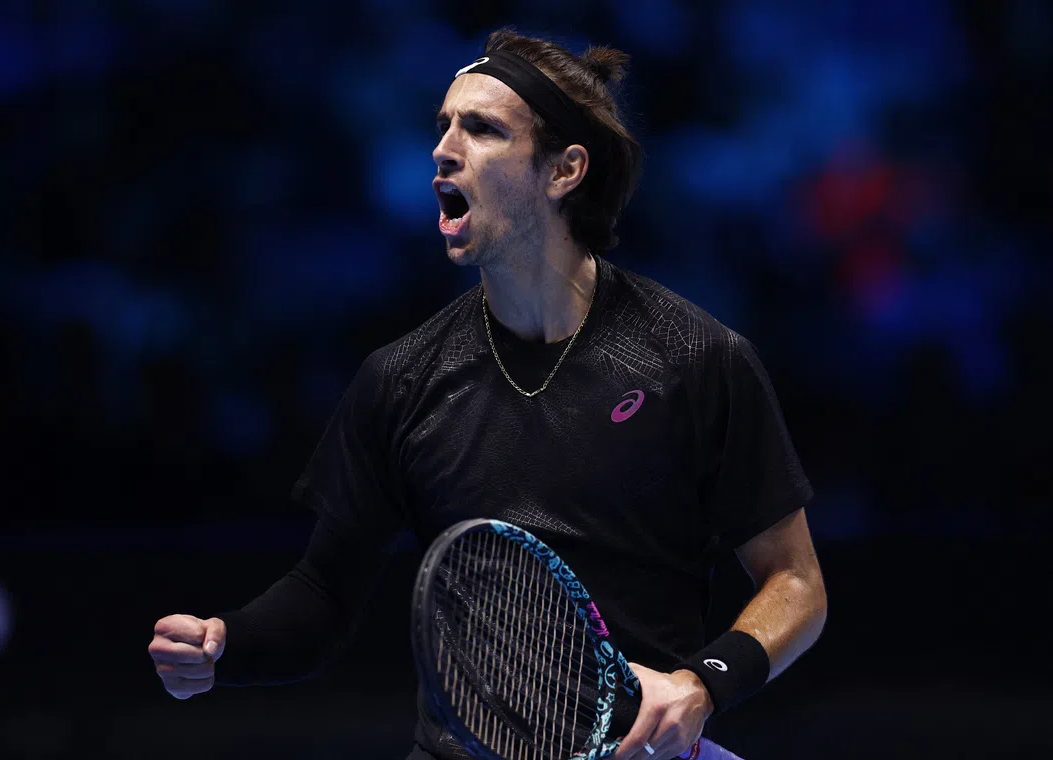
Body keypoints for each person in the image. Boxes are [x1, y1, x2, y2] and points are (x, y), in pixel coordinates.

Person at [148, 28, 827, 760]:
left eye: (481, 128)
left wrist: (701, 685)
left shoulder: (695, 361)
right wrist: (225, 643)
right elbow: (324, 594)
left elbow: (796, 583)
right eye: (442, 125)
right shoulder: (402, 381)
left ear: (564, 170)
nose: (443, 149)